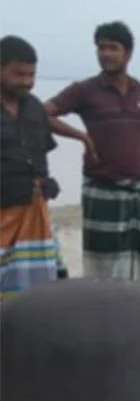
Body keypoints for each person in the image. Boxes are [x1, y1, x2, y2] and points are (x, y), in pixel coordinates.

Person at [45, 21, 140, 289]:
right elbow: (43, 113)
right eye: (101, 47)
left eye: (112, 48)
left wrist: (128, 147)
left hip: (138, 191)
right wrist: (83, 137)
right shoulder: (84, 90)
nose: (105, 53)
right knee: (103, 263)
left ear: (128, 54)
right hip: (101, 189)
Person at [1, 35, 61, 299]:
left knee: (37, 296)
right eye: (18, 74)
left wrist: (46, 182)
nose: (26, 81)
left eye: (31, 75)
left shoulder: (35, 107)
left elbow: (40, 158)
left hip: (34, 215)